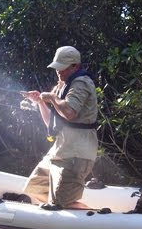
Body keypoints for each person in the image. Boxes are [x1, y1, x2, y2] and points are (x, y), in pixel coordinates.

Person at [21, 46, 98, 210]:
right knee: (35, 188)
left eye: (63, 68)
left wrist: (52, 97)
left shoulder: (81, 83)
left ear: (75, 66)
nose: (59, 72)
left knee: (64, 205)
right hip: (59, 151)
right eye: (57, 68)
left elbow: (69, 112)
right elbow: (52, 121)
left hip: (76, 155)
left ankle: (96, 218)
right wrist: (41, 102)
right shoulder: (62, 84)